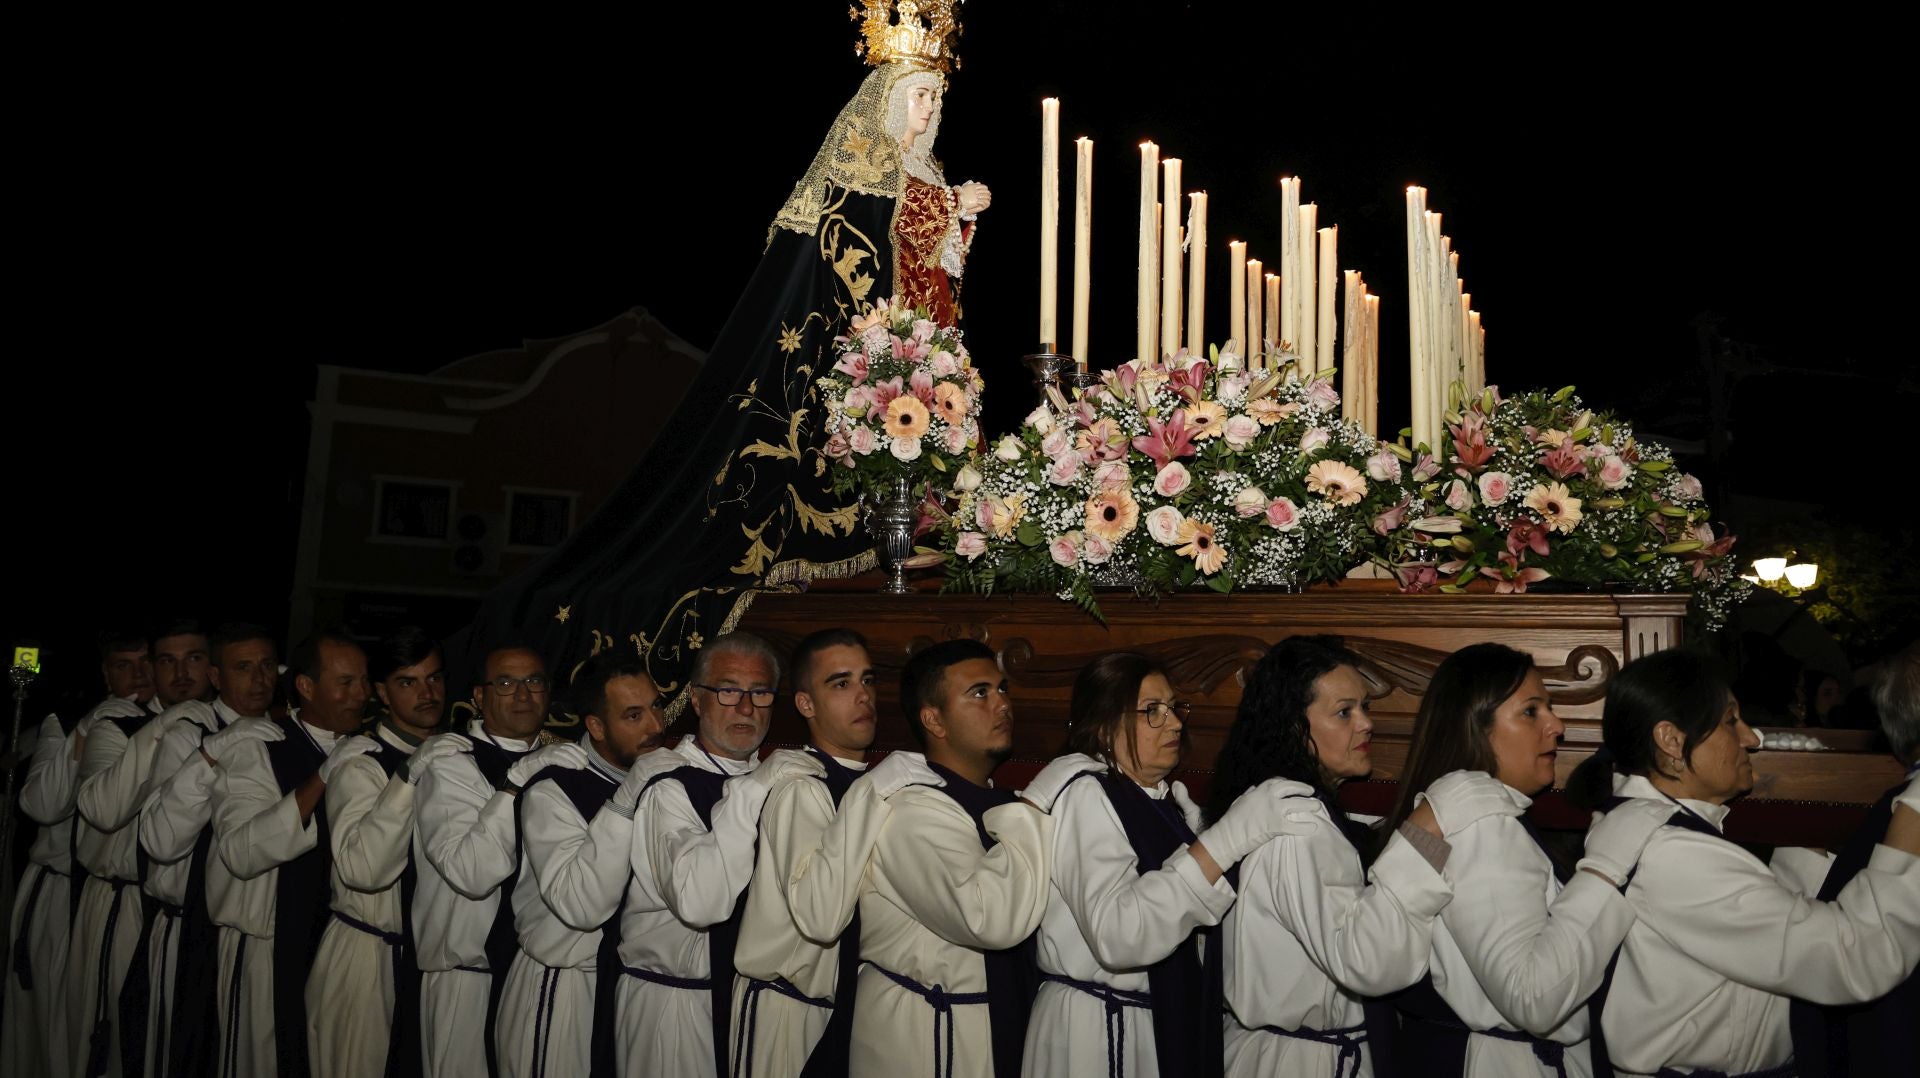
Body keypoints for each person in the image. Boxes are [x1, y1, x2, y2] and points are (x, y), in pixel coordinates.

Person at [449, 0, 988, 698]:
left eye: (935, 100)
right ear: (884, 103)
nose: (926, 111)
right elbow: (861, 239)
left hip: (920, 362)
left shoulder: (925, 172)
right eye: (917, 96)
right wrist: (950, 210)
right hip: (865, 354)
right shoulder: (862, 165)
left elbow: (929, 265)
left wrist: (956, 222)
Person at [1567, 649, 1920, 1077]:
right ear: (1672, 740)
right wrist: (1914, 812)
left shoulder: (1652, 828)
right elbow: (1856, 958)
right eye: (1730, 722)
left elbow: (1757, 937)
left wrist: (1800, 843)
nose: (1752, 738)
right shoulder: (1674, 853)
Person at [1009, 648, 1335, 1078]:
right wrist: (1223, 842)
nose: (1176, 722)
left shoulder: (1163, 801)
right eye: (1152, 711)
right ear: (1104, 724)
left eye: (1174, 707)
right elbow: (1118, 934)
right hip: (1097, 1031)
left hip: (1151, 1020)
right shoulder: (1086, 794)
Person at [1379, 642, 1674, 1078]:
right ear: (1474, 729)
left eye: (1549, 708)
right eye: (1531, 711)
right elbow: (1533, 996)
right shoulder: (1482, 824)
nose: (1557, 726)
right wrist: (1606, 866)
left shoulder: (1489, 818)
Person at [1199, 637, 1456, 1078]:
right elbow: (1370, 962)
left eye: (1365, 708)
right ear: (1292, 725)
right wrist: (1430, 830)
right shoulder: (1300, 823)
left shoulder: (1301, 812)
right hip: (1303, 1061)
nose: (1366, 724)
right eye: (1344, 712)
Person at [834, 638, 1050, 1078]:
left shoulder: (997, 800)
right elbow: (987, 917)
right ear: (934, 719)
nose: (1002, 704)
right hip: (925, 1033)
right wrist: (1035, 810)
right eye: (980, 693)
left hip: (988, 1023)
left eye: (1003, 689)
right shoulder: (910, 809)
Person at [620, 631, 818, 1078]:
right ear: (696, 699)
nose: (746, 708)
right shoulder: (668, 786)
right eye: (728, 691)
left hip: (748, 1004)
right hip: (674, 1006)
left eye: (760, 692)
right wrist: (752, 790)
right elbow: (702, 903)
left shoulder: (780, 780)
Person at [204, 629, 369, 1076]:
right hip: (265, 945)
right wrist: (321, 778)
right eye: (347, 683)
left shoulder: (364, 751)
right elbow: (240, 851)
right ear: (306, 687)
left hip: (330, 945)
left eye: (364, 681)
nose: (362, 694)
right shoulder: (257, 745)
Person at [494, 649, 666, 1078]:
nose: (655, 726)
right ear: (596, 726)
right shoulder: (555, 790)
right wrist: (628, 800)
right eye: (633, 715)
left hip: (618, 984)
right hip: (560, 986)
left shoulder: (661, 778)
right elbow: (581, 906)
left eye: (655, 706)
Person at [729, 628, 882, 1078]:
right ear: (806, 704)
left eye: (868, 680)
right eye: (841, 683)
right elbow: (822, 915)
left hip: (841, 1008)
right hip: (787, 1009)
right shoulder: (802, 787)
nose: (862, 696)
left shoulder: (863, 784)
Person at [411, 644, 565, 1076]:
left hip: (532, 973)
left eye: (534, 681)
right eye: (506, 683)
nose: (522, 695)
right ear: (479, 696)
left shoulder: (560, 762)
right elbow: (473, 873)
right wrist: (513, 784)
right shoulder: (451, 765)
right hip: (467, 975)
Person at [74, 621, 215, 1078]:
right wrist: (162, 726)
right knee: (109, 1042)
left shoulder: (224, 724)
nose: (180, 673)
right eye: (168, 661)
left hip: (188, 914)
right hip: (123, 904)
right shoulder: (117, 724)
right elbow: (103, 809)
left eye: (193, 658)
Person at [305, 626, 448, 1078]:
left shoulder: (453, 757)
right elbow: (363, 869)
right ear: (382, 693)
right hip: (366, 958)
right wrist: (408, 776)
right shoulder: (360, 762)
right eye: (409, 682)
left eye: (435, 678)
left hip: (425, 961)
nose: (427, 693)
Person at [138, 622, 279, 1078]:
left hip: (254, 934)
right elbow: (160, 840)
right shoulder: (190, 733)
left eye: (265, 667)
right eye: (243, 668)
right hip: (187, 928)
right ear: (217, 677)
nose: (258, 679)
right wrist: (213, 755)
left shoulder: (283, 733)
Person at [62, 629, 160, 1078]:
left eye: (147, 662)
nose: (140, 674)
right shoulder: (107, 725)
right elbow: (99, 810)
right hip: (114, 897)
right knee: (102, 1029)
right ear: (105, 674)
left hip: (162, 907)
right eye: (125, 665)